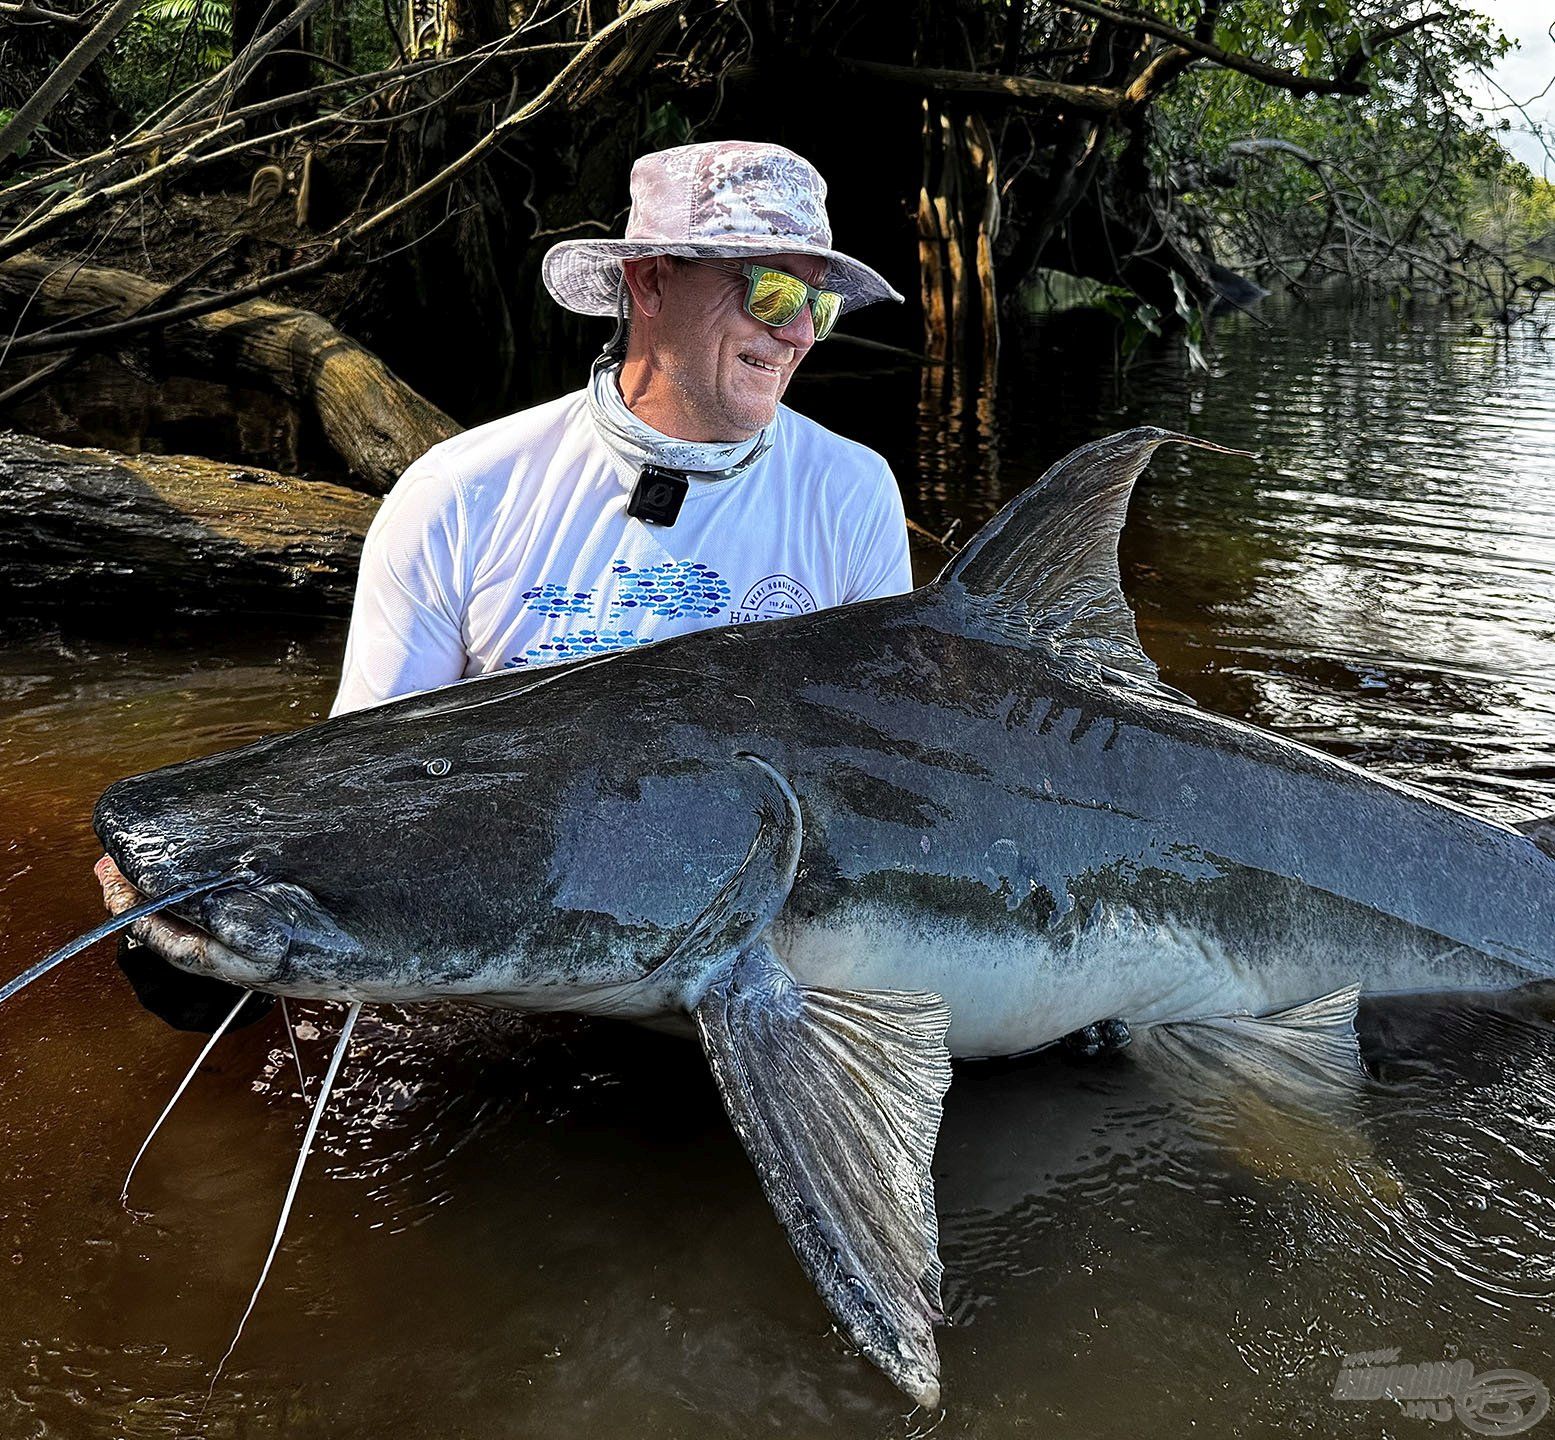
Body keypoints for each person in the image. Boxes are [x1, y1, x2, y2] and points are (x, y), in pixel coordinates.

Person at [329, 139, 913, 716]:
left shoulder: (853, 496)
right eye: (773, 292)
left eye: (818, 305)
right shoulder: (457, 497)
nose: (801, 335)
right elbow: (368, 782)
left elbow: (875, 750)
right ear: (651, 280)